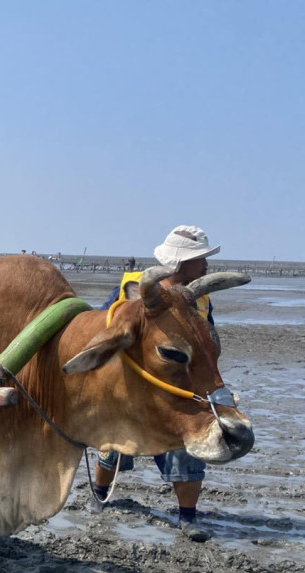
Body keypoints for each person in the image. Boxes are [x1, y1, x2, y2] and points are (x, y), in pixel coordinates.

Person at [90, 225, 223, 542]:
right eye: (200, 259)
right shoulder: (128, 289)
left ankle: (187, 517)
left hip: (177, 391)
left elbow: (207, 346)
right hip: (131, 389)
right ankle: (98, 494)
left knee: (187, 450)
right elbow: (102, 327)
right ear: (181, 263)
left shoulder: (201, 302)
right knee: (111, 448)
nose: (205, 266)